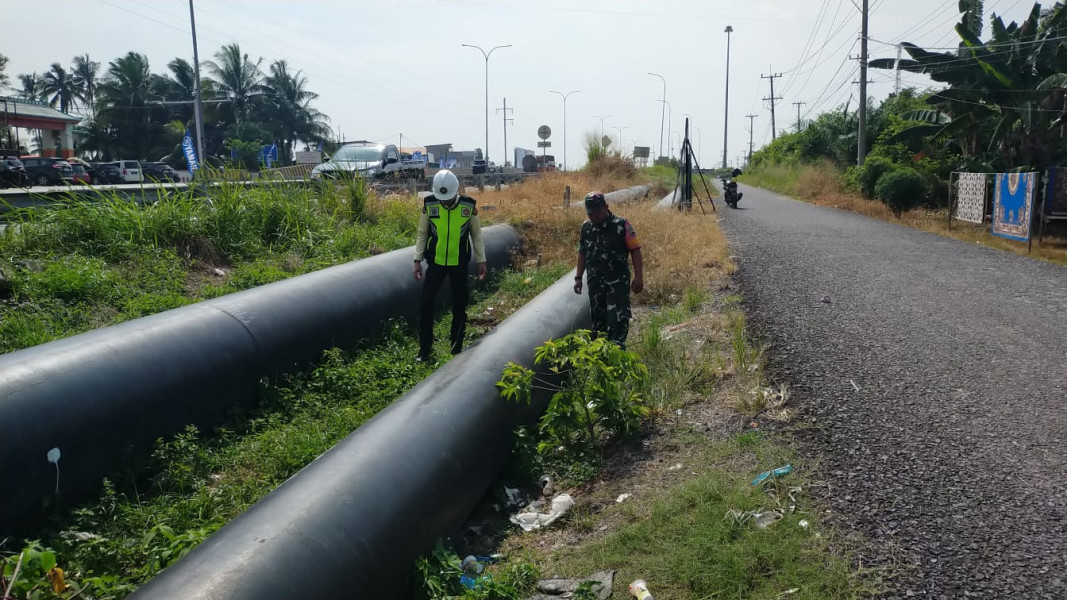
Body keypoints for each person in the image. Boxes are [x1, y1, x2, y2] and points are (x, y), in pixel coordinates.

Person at [413, 169, 487, 362]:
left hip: (459, 264)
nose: (444, 201)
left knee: (460, 304)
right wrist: (417, 260)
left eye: (448, 197)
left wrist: (481, 261)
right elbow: (422, 233)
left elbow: (476, 235)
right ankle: (425, 349)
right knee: (426, 303)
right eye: (441, 197)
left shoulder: (468, 206)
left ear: (456, 191)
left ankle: (456, 346)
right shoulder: (429, 204)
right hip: (435, 263)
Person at [573, 191, 644, 349]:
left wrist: (639, 278)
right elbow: (582, 252)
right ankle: (602, 360)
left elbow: (635, 250)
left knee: (618, 322)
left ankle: (617, 358)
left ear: (606, 207)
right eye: (590, 214)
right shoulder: (586, 227)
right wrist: (578, 278)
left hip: (617, 284)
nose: (594, 217)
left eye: (597, 213)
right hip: (595, 284)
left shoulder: (621, 225)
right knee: (599, 325)